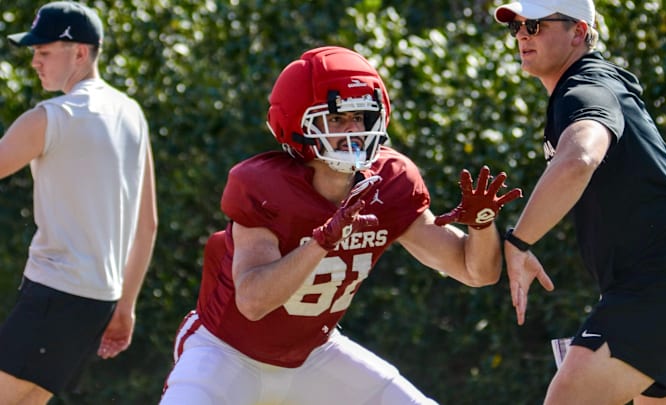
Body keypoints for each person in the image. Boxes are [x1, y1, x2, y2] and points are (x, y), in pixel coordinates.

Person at [159, 45, 522, 405]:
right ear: (298, 124)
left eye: (360, 118)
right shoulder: (265, 187)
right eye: (336, 119)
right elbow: (253, 302)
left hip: (313, 355)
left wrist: (482, 225)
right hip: (226, 353)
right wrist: (321, 242)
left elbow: (475, 271)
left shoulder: (388, 182)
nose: (353, 131)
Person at [493, 0, 666, 404]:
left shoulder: (584, 86)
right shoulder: (588, 86)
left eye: (537, 25)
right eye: (518, 28)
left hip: (663, 275)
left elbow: (580, 157)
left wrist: (519, 242)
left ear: (579, 32)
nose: (523, 35)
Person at [0, 2, 158, 404]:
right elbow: (147, 225)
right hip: (97, 304)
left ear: (80, 53)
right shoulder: (132, 113)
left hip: (54, 296)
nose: (35, 62)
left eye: (44, 51)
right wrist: (126, 306)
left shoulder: (52, 117)